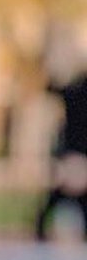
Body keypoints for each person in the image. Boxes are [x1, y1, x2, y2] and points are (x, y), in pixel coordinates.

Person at [36, 72, 87, 241]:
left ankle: (40, 230)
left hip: (71, 152)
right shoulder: (74, 94)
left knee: (59, 196)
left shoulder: (72, 93)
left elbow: (52, 88)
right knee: (61, 195)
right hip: (73, 152)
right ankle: (40, 230)